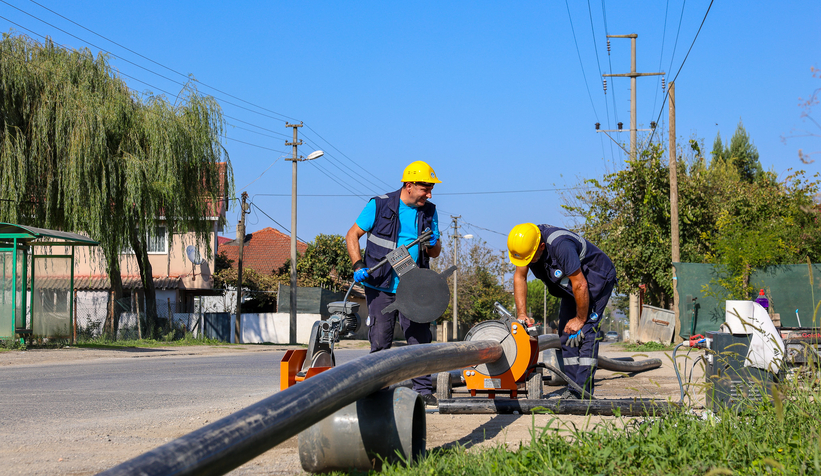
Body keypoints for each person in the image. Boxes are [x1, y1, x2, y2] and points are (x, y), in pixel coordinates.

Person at [345, 160, 442, 406]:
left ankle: (423, 392)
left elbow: (434, 253)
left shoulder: (429, 212)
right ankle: (378, 393)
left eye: (431, 189)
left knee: (419, 341)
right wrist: (358, 265)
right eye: (425, 188)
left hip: (414, 287)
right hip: (380, 285)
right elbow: (352, 235)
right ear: (409, 185)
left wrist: (432, 243)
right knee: (380, 340)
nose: (429, 194)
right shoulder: (378, 205)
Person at [507, 223, 617, 399]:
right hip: (573, 287)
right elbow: (520, 277)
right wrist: (522, 314)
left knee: (587, 331)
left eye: (531, 259)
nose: (527, 263)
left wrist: (580, 319)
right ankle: (573, 387)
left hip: (596, 280)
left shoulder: (560, 245)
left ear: (541, 246)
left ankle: (583, 393)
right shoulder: (527, 245)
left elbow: (581, 284)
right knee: (566, 333)